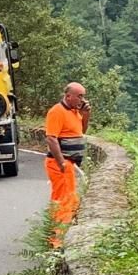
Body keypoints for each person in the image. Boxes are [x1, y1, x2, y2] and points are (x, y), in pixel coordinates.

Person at [44, 82, 91, 247]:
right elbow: (51, 138)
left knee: (63, 198)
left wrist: (85, 114)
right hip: (60, 163)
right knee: (66, 199)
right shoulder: (57, 111)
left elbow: (81, 131)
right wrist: (61, 162)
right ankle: (58, 241)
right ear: (68, 95)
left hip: (69, 163)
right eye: (79, 96)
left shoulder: (76, 111)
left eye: (83, 96)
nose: (82, 99)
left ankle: (56, 234)